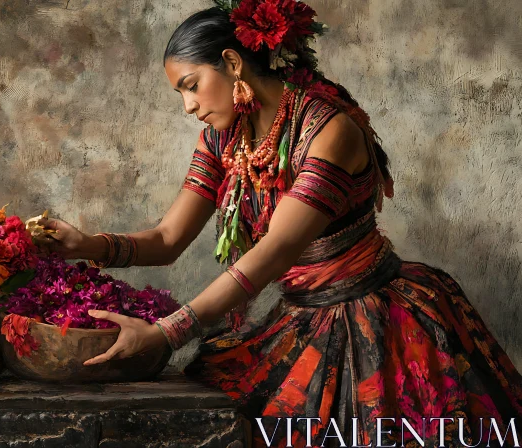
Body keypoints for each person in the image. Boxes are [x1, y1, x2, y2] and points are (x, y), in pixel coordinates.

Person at [37, 1, 522, 446]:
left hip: (377, 324)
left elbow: (274, 252)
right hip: (300, 317)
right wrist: (85, 243)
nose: (188, 106)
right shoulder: (226, 139)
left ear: (231, 64)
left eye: (190, 85)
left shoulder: (329, 131)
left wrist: (166, 332)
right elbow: (167, 240)